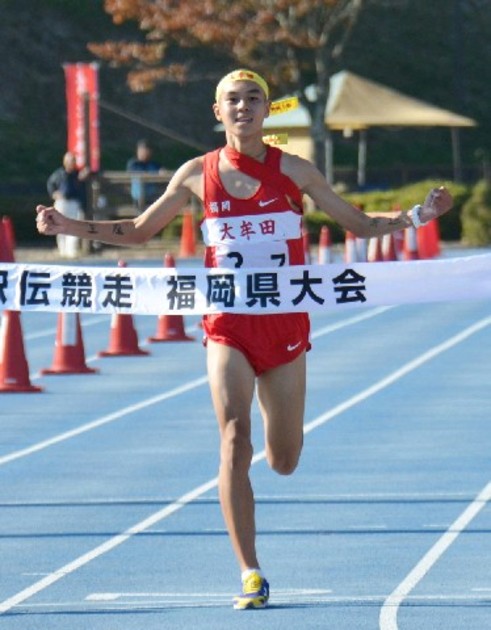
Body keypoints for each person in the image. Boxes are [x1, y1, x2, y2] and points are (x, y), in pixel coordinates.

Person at [36, 68, 453, 610]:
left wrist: (419, 215)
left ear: (266, 110)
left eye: (254, 99)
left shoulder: (296, 170)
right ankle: (250, 571)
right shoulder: (195, 175)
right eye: (232, 100)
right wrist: (69, 228)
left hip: (284, 328)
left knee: (283, 459)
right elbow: (139, 231)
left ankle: (280, 428)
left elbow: (357, 224)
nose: (243, 108)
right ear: (218, 112)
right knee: (234, 436)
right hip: (226, 324)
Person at [46, 151, 89, 258]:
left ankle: (72, 250)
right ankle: (62, 250)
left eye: (73, 161)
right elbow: (50, 184)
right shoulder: (59, 173)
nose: (72, 163)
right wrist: (54, 194)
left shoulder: (78, 174)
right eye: (70, 161)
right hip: (62, 202)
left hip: (73, 203)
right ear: (65, 162)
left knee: (73, 226)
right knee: (59, 226)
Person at [126, 139, 164, 212]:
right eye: (141, 150)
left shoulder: (154, 164)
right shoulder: (134, 164)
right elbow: (134, 174)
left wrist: (162, 172)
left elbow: (161, 171)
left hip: (153, 197)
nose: (143, 153)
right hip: (138, 198)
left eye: (146, 150)